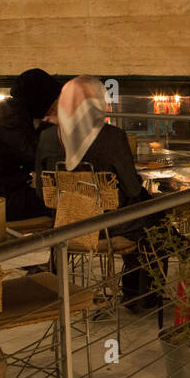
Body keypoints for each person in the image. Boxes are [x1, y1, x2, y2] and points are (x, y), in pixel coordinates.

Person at [45, 76, 160, 310]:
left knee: (147, 217)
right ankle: (140, 298)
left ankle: (56, 287)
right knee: (152, 224)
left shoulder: (47, 138)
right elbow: (132, 188)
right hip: (108, 227)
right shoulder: (112, 136)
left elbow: (42, 189)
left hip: (65, 226)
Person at [0, 68, 62, 220]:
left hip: (0, 194)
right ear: (40, 96)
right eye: (51, 102)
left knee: (56, 198)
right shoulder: (11, 117)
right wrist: (51, 122)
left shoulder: (11, 110)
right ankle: (59, 242)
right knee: (61, 201)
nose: (51, 108)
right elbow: (34, 157)